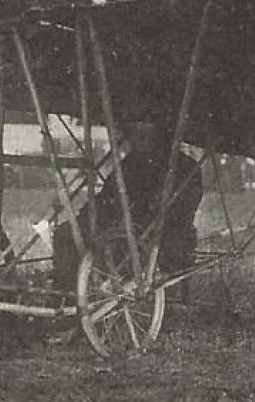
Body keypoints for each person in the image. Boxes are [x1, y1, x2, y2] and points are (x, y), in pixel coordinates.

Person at [51, 121, 204, 296]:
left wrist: (147, 214)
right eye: (134, 129)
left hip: (159, 233)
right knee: (65, 233)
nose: (138, 134)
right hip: (120, 230)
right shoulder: (129, 164)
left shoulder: (185, 167)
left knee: (162, 244)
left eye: (146, 128)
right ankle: (67, 295)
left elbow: (184, 210)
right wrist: (87, 214)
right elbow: (107, 197)